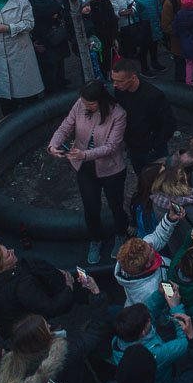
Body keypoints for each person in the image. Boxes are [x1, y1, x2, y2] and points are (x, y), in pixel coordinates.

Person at [49, 81, 129, 265]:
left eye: (91, 104)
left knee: (116, 204)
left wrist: (84, 154)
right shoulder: (80, 104)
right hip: (85, 166)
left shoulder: (118, 114)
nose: (86, 106)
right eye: (85, 103)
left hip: (111, 168)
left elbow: (112, 146)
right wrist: (53, 144)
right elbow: (66, 126)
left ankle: (120, 235)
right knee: (91, 207)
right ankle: (95, 240)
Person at [112, 59, 176, 180]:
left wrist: (155, 145)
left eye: (119, 81)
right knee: (142, 180)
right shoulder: (120, 91)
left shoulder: (154, 96)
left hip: (152, 150)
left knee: (160, 182)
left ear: (133, 78)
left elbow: (170, 124)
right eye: (114, 80)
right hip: (133, 147)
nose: (115, 84)